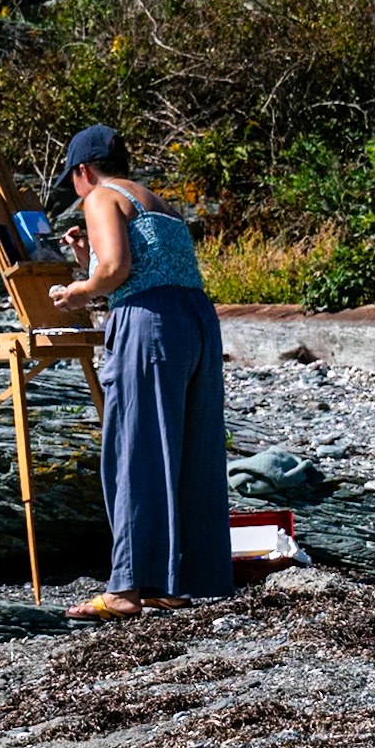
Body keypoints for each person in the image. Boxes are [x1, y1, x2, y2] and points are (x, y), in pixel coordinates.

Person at [50, 124, 234, 620]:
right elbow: (145, 267)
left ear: (84, 171)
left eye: (73, 179)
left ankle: (127, 588)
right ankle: (179, 581)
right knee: (190, 449)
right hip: (196, 321)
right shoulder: (160, 203)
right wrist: (87, 263)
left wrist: (77, 291)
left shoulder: (100, 197)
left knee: (135, 448)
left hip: (150, 325)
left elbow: (116, 272)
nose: (76, 188)